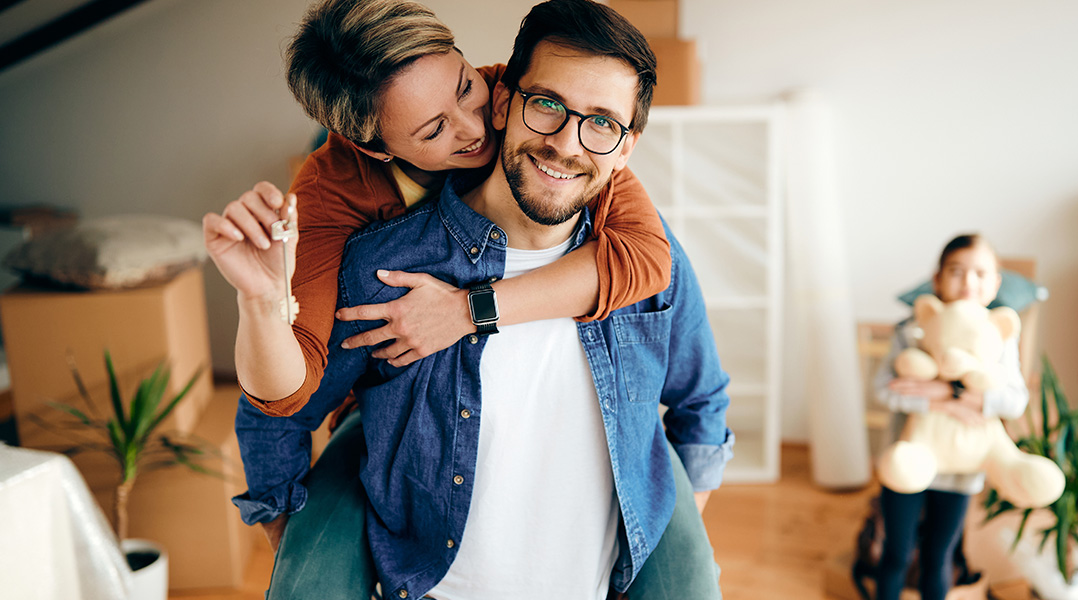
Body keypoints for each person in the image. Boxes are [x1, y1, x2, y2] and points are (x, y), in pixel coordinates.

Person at [227, 0, 733, 598]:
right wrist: (297, 549)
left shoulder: (639, 247)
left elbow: (699, 396)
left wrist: (664, 552)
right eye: (545, 105)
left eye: (601, 124)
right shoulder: (365, 248)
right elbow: (281, 403)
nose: (568, 143)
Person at [871, 234, 1029, 600]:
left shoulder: (1000, 337)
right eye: (957, 272)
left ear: (995, 284)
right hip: (907, 457)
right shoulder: (910, 331)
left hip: (960, 471)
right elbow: (883, 389)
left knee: (938, 555)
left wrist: (950, 391)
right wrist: (944, 405)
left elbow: (1014, 400)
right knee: (895, 552)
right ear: (937, 279)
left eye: (980, 273)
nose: (968, 282)